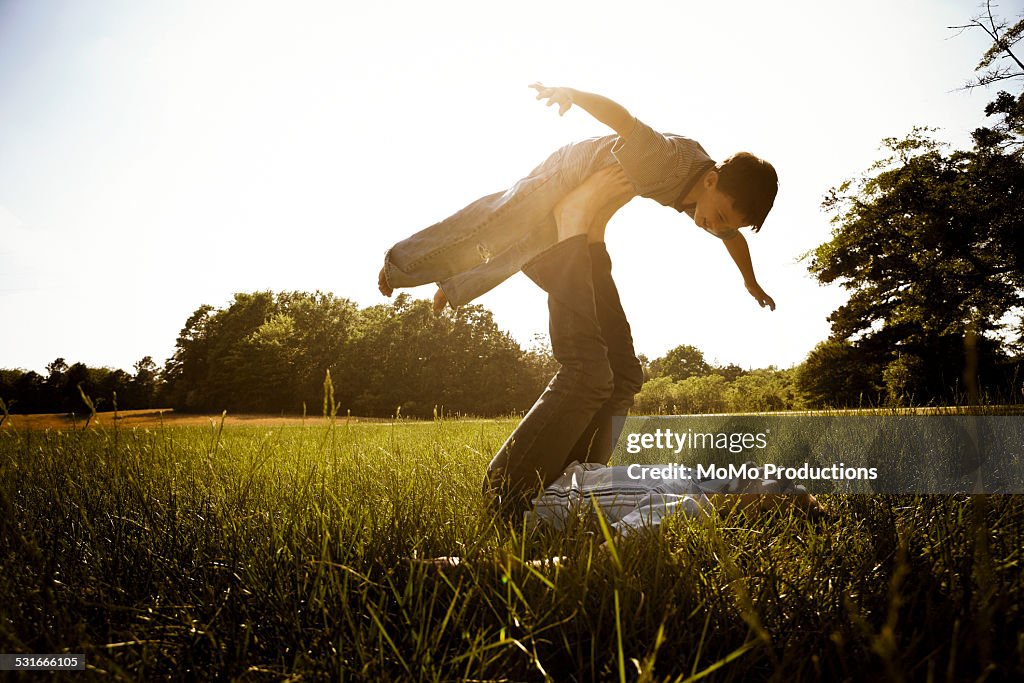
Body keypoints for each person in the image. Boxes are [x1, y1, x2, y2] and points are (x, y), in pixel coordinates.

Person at [377, 82, 779, 314]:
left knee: (531, 249)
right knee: (500, 219)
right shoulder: (667, 159)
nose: (716, 226)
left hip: (584, 200)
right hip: (569, 170)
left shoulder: (706, 202)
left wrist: (751, 283)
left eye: (727, 223)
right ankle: (401, 264)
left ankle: (455, 287)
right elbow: (621, 118)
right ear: (711, 181)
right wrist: (571, 93)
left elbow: (733, 239)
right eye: (721, 216)